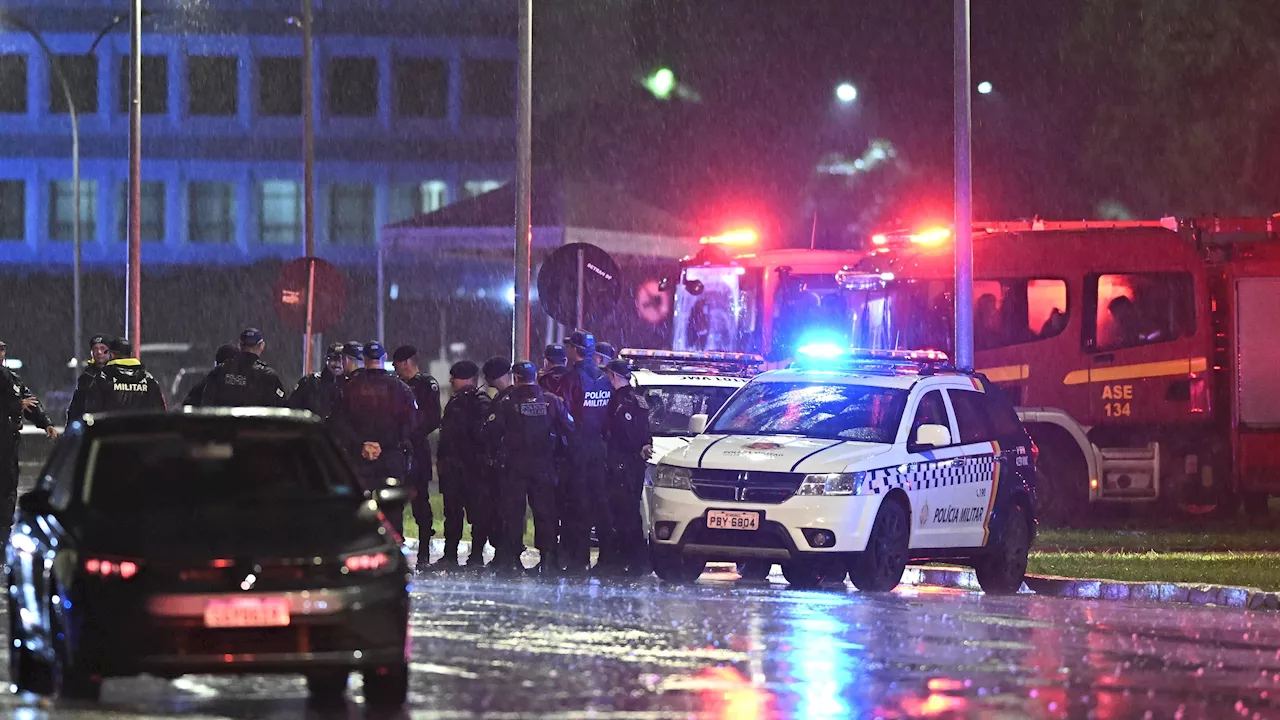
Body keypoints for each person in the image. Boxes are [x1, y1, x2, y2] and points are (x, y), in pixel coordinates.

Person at [484, 361, 574, 577]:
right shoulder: (552, 402)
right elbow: (569, 428)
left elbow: (490, 433)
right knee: (545, 515)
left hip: (515, 467)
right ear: (535, 377)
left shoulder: (507, 402)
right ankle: (548, 561)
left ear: (515, 378)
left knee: (513, 514)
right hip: (544, 466)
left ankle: (512, 561)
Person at [328, 342, 418, 536]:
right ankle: (393, 555)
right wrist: (384, 445)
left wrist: (362, 444)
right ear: (384, 358)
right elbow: (410, 424)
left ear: (365, 360)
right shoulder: (401, 388)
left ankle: (365, 554)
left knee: (361, 510)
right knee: (392, 511)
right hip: (391, 457)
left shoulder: (348, 388)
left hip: (358, 458)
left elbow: (337, 424)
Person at [559, 330, 614, 575]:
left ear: (574, 349)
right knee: (600, 505)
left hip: (577, 450)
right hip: (599, 449)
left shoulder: (571, 378)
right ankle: (607, 559)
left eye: (569, 346)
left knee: (578, 504)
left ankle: (578, 559)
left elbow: (566, 415)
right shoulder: (603, 378)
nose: (567, 350)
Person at [434, 361, 492, 571]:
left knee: (478, 514)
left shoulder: (480, 401)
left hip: (473, 469)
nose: (451, 381)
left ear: (468, 378)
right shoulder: (456, 401)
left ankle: (476, 556)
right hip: (454, 469)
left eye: (455, 377)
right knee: (453, 514)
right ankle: (450, 554)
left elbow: (482, 436)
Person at [600, 358, 653, 577]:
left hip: (622, 465)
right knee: (629, 513)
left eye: (608, 376)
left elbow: (626, 435)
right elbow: (645, 435)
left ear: (614, 377)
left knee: (623, 514)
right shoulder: (637, 400)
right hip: (631, 465)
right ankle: (634, 561)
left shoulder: (621, 403)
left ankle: (630, 561)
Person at [392, 345, 442, 567]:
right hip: (397, 449)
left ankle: (423, 555)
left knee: (420, 501)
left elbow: (432, 418)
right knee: (394, 502)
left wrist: (411, 435)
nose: (394, 368)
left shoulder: (426, 385)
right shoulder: (394, 384)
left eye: (397, 363)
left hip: (417, 449)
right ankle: (397, 554)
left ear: (405, 362)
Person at [200, 328, 288, 407]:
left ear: (240, 345)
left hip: (223, 424)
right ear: (261, 346)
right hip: (255, 424)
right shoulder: (267, 376)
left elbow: (206, 403)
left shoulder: (220, 371)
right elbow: (281, 408)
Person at [81, 339, 166, 413]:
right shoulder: (148, 379)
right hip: (142, 430)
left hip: (112, 431)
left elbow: (92, 413)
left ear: (112, 354)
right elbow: (160, 412)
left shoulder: (102, 378)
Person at [0, 341, 57, 442]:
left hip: (8, 440)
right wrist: (17, 405)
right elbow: (16, 403)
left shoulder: (11, 378)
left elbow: (30, 400)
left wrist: (46, 424)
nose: (1, 354)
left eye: (2, 350)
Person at [0, 362, 23, 547]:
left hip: (6, 443)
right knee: (7, 489)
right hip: (5, 442)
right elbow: (17, 402)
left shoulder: (10, 377)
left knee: (7, 488)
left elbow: (27, 400)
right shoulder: (7, 377)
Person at [288, 343, 345, 418]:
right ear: (326, 360)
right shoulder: (309, 382)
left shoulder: (349, 386)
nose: (338, 364)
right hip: (312, 428)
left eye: (342, 360)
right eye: (334, 359)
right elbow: (292, 409)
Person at [67, 334, 113, 422]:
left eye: (102, 348)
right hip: (92, 424)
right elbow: (76, 405)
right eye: (95, 349)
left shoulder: (116, 373)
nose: (99, 352)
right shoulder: (87, 376)